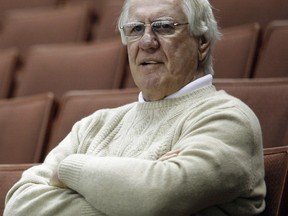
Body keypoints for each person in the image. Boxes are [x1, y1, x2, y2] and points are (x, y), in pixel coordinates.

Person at [4, 0, 266, 215]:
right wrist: (127, 193)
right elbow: (19, 203)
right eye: (136, 29)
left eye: (163, 27)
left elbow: (156, 197)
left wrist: (69, 169)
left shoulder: (228, 118)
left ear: (202, 42)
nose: (147, 41)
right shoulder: (94, 125)